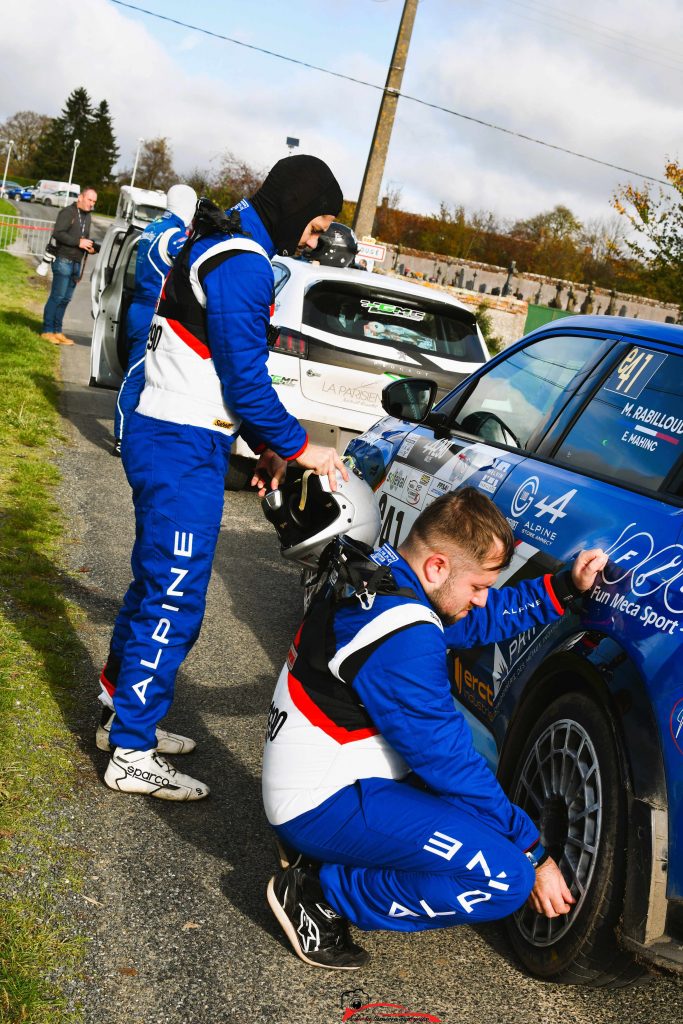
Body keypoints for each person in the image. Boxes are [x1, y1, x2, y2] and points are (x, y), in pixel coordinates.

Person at [261, 480, 608, 970]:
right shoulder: (402, 637)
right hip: (320, 801)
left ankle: (329, 856)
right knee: (504, 877)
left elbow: (475, 620)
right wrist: (535, 853)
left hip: (320, 780)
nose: (485, 599)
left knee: (477, 820)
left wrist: (562, 589)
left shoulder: (382, 574)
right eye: (480, 586)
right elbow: (452, 767)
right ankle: (319, 892)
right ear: (438, 566)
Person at [97, 154, 348, 801]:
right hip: (180, 445)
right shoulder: (244, 262)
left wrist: (262, 448)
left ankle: (118, 713)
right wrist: (300, 448)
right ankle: (131, 749)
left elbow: (217, 367)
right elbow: (245, 381)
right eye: (317, 227)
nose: (313, 241)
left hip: (176, 432)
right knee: (173, 596)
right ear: (297, 209)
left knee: (153, 583)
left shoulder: (227, 235)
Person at [112, 183, 198, 456]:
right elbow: (196, 263)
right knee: (137, 376)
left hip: (138, 306)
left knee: (144, 376)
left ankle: (133, 436)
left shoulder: (153, 226)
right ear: (189, 205)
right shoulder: (174, 235)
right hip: (151, 311)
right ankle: (122, 438)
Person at [41, 187, 98, 345]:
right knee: (57, 297)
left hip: (76, 263)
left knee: (66, 299)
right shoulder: (68, 212)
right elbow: (58, 233)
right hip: (63, 259)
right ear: (80, 197)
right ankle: (47, 330)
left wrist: (90, 248)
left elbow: (83, 237)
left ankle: (58, 331)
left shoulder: (87, 216)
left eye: (94, 202)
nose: (91, 204)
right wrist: (78, 242)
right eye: (89, 200)